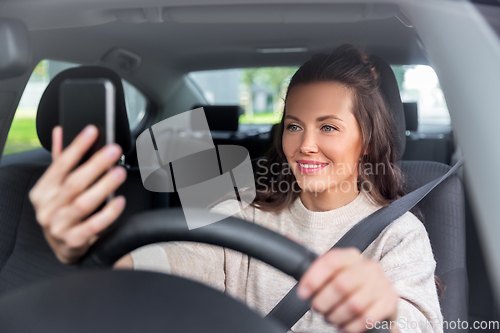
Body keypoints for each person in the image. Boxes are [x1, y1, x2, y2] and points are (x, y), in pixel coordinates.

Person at [29, 44, 443, 333]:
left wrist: (386, 305)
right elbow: (173, 262)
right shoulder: (244, 214)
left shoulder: (398, 234)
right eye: (294, 126)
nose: (305, 145)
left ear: (367, 140)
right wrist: (93, 251)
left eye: (329, 127)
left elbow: (421, 324)